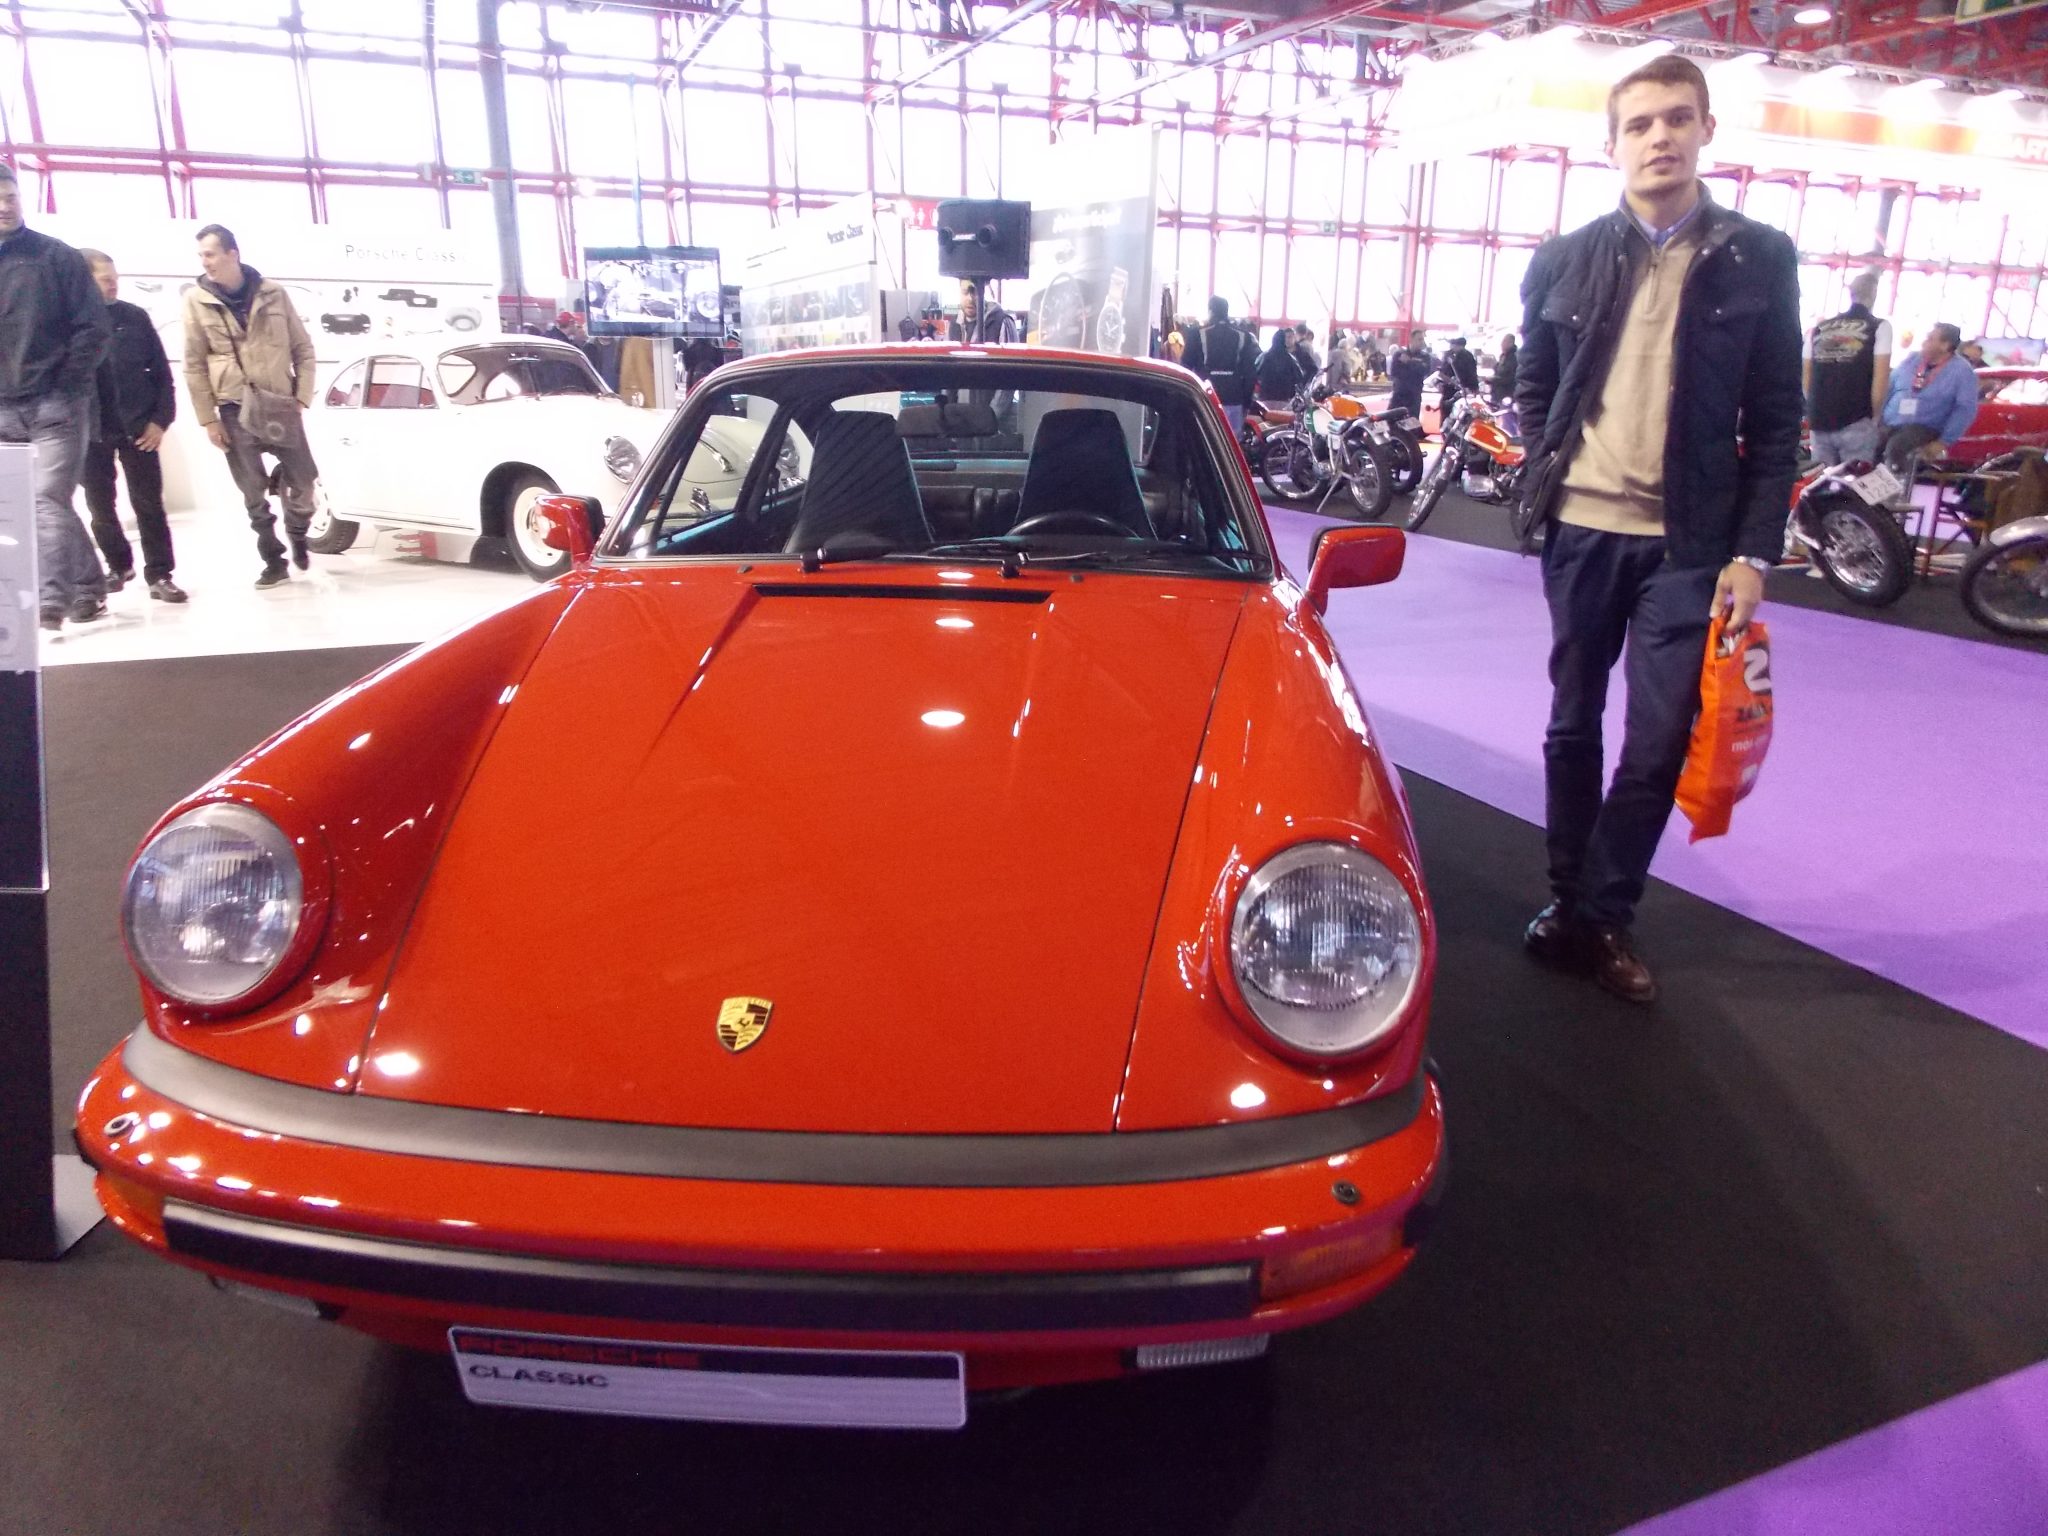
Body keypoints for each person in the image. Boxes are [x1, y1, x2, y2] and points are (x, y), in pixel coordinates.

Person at [1514, 53, 1802, 1004]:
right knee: (1571, 723)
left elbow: (1776, 416)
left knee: (1658, 740)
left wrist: (1753, 552)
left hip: (1691, 546)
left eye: (1677, 118)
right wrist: (1547, 470)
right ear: (1613, 145)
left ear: (1706, 130)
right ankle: (1567, 900)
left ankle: (1604, 914)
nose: (1659, 138)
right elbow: (1533, 386)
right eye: (1639, 125)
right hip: (1581, 530)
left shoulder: (1758, 258)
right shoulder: (1564, 258)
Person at [0, 163, 110, 630]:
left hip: (55, 404)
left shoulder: (56, 257)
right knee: (38, 503)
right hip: (3, 407)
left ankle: (49, 603)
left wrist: (67, 386)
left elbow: (93, 327)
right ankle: (88, 585)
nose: (5, 206)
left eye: (11, 196)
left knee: (47, 498)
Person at [181, 224, 319, 588]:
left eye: (211, 254)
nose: (205, 262)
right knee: (252, 491)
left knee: (304, 481)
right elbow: (193, 364)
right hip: (232, 407)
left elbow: (303, 349)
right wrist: (208, 419)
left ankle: (298, 531)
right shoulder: (196, 300)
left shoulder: (273, 293)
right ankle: (273, 559)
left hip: (279, 403)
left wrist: (301, 396)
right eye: (201, 256)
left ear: (233, 254)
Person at [78, 250, 183, 603]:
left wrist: (160, 421)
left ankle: (160, 574)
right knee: (99, 507)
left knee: (149, 504)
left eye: (115, 278)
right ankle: (118, 565)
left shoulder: (135, 317)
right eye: (105, 279)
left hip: (139, 428)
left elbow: (162, 376)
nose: (114, 285)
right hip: (91, 431)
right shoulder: (70, 323)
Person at [1803, 269, 1891, 468]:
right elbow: (1880, 378)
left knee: (1820, 481)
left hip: (1819, 419)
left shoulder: (1818, 329)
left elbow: (1807, 375)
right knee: (1853, 483)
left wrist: (1815, 409)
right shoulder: (1879, 327)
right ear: (1874, 294)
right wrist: (1874, 417)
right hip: (1856, 419)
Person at [1877, 322, 1978, 471]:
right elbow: (1889, 387)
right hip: (1890, 422)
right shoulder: (1911, 360)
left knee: (1897, 447)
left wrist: (1944, 442)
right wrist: (1876, 417)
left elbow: (1965, 409)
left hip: (1924, 428)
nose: (1924, 342)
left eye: (1930, 338)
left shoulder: (1962, 371)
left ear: (1945, 345)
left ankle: (1896, 482)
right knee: (1869, 445)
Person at [1183, 295, 1256, 432]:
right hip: (1234, 398)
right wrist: (1246, 403)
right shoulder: (1243, 336)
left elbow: (1185, 367)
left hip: (1205, 397)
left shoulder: (1197, 334)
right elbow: (1250, 374)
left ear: (1210, 311)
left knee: (1204, 437)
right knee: (1231, 440)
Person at [1387, 330, 1431, 422]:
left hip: (1414, 396)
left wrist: (1409, 362)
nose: (1421, 342)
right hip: (1399, 394)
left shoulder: (1425, 356)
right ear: (1411, 339)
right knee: (1391, 421)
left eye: (1422, 339)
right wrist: (1414, 368)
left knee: (1412, 422)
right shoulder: (1399, 354)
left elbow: (1424, 371)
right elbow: (1395, 372)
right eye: (1419, 339)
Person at [957, 279, 1017, 345]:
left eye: (975, 292)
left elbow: (1012, 351)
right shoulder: (954, 325)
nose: (970, 298)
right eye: (965, 292)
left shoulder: (1002, 322)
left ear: (983, 293)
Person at [1257, 326, 1303, 404]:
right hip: (1284, 397)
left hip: (1265, 396)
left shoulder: (1264, 356)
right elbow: (1299, 377)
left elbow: (1255, 372)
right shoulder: (1290, 359)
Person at [1490, 332, 1519, 405]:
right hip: (1497, 394)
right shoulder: (1502, 356)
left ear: (1511, 343)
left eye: (1504, 341)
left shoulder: (1514, 358)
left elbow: (1512, 378)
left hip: (1507, 396)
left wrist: (1494, 380)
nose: (1502, 344)